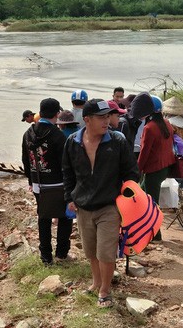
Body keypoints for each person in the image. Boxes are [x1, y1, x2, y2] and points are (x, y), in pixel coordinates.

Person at [63, 99, 139, 308]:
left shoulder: (117, 141)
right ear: (87, 119)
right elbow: (67, 172)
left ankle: (105, 289)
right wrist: (69, 197)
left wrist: (125, 202)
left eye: (108, 116)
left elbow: (132, 173)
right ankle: (96, 282)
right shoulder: (72, 142)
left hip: (109, 206)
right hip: (83, 206)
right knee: (90, 250)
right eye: (101, 117)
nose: (107, 120)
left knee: (105, 251)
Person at [22, 98, 73, 266]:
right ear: (57, 114)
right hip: (58, 183)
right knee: (64, 217)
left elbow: (25, 160)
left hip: (38, 184)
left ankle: (46, 257)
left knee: (43, 217)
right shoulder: (58, 135)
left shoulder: (28, 134)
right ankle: (62, 253)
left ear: (40, 112)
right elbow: (66, 164)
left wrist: (31, 180)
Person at [130, 93, 175, 242]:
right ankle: (142, 226)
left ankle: (156, 235)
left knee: (152, 204)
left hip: (153, 171)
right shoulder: (166, 123)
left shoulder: (149, 128)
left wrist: (137, 170)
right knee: (143, 196)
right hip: (165, 167)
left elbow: (144, 153)